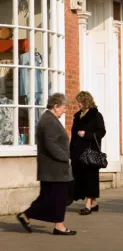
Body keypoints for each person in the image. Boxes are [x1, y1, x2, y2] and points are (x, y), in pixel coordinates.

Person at [16, 93, 76, 236]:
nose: (64, 110)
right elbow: (51, 144)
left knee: (50, 197)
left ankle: (53, 223)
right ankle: (57, 225)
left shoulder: (49, 119)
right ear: (55, 106)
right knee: (56, 197)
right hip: (54, 168)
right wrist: (65, 157)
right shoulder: (49, 121)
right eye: (63, 107)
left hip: (53, 168)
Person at [70, 91, 106, 215]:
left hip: (90, 152)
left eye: (80, 102)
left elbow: (101, 132)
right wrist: (71, 151)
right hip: (77, 153)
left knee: (90, 178)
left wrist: (87, 135)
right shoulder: (77, 115)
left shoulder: (96, 115)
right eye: (77, 102)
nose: (78, 104)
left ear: (86, 102)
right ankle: (94, 203)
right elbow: (73, 135)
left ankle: (88, 205)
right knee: (81, 178)